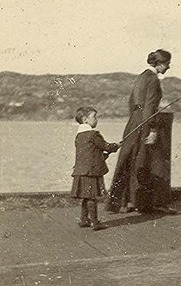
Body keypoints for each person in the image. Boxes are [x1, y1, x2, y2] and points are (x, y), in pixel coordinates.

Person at [105, 49, 172, 213]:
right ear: (159, 63)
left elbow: (131, 102)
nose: (169, 67)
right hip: (144, 122)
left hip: (134, 120)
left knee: (130, 159)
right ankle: (140, 203)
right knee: (142, 161)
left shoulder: (142, 76)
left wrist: (137, 118)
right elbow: (150, 107)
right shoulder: (154, 80)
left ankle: (124, 201)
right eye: (167, 64)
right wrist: (153, 129)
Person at [71, 106, 120, 230]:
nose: (96, 120)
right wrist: (115, 146)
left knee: (86, 197)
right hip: (90, 172)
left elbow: (90, 154)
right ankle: (95, 223)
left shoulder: (79, 136)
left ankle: (84, 220)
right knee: (92, 197)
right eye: (94, 117)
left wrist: (102, 155)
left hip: (81, 171)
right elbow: (106, 146)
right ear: (85, 120)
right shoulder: (93, 135)